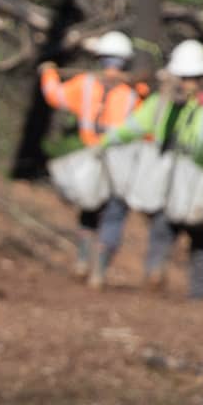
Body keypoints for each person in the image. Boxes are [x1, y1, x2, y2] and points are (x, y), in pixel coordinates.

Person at [107, 39, 203, 300]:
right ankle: (153, 279)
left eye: (193, 77)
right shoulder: (163, 104)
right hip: (168, 181)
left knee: (199, 238)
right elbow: (133, 127)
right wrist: (104, 143)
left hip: (200, 181)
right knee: (162, 229)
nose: (187, 83)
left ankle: (199, 295)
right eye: (184, 77)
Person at [38, 31, 145, 289]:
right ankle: (98, 271)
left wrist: (48, 73)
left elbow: (55, 95)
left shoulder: (84, 84)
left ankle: (83, 262)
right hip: (121, 161)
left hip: (93, 157)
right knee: (114, 214)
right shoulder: (136, 93)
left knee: (89, 210)